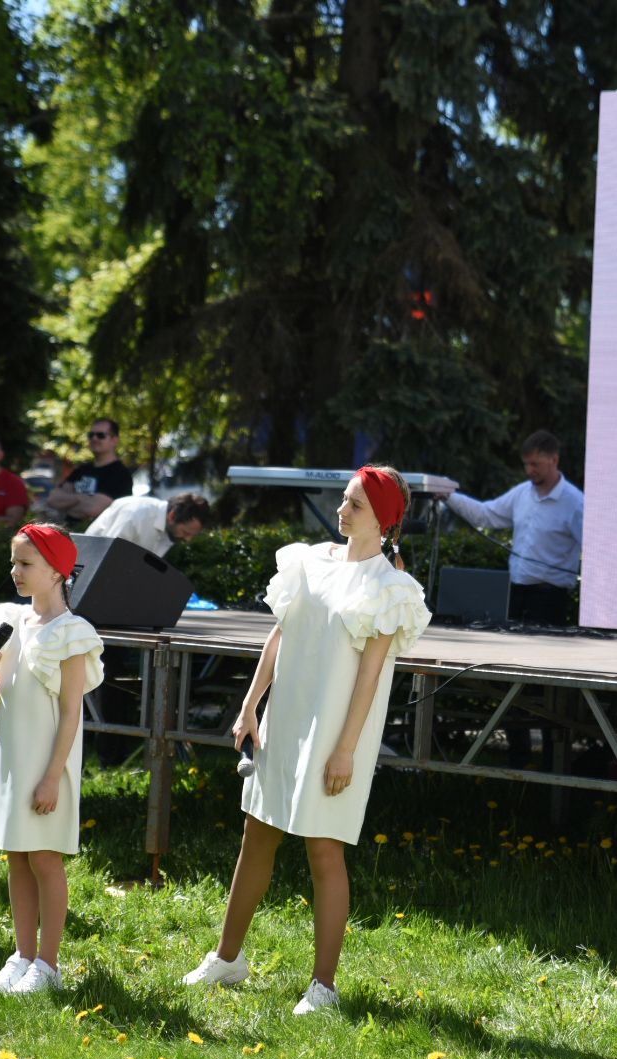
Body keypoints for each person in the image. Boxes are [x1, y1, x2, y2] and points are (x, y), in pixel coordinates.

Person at [181, 465, 430, 1014]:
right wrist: (251, 705)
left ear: (384, 520)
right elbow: (280, 635)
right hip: (286, 718)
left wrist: (345, 749)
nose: (341, 510)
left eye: (355, 504)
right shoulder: (310, 560)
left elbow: (370, 678)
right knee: (257, 836)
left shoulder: (390, 588)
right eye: (344, 499)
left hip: (338, 731)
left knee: (324, 849)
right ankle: (227, 958)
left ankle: (324, 986)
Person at [0, 524, 104, 994]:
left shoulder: (72, 633)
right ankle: (22, 955)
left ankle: (48, 965)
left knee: (45, 858)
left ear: (56, 571)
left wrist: (52, 778)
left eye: (26, 563)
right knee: (17, 855)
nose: (16, 571)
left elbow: (71, 713)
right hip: (14, 757)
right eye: (13, 562)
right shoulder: (9, 624)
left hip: (49, 762)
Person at [441, 430, 583, 625]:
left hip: (550, 598)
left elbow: (594, 552)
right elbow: (485, 515)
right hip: (515, 593)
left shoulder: (575, 503)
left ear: (554, 460)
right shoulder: (522, 493)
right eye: (526, 464)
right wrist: (448, 497)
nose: (529, 470)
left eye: (535, 464)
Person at [44, 419, 132, 528]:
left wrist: (68, 502)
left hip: (101, 536)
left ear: (114, 440)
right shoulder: (82, 469)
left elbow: (93, 508)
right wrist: (81, 498)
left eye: (100, 435)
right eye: (91, 435)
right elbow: (53, 498)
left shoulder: (121, 474)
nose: (94, 438)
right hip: (70, 532)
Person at [85, 492, 213, 557]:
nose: (188, 539)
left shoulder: (170, 529)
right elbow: (108, 555)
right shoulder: (137, 514)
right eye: (186, 532)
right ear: (172, 516)